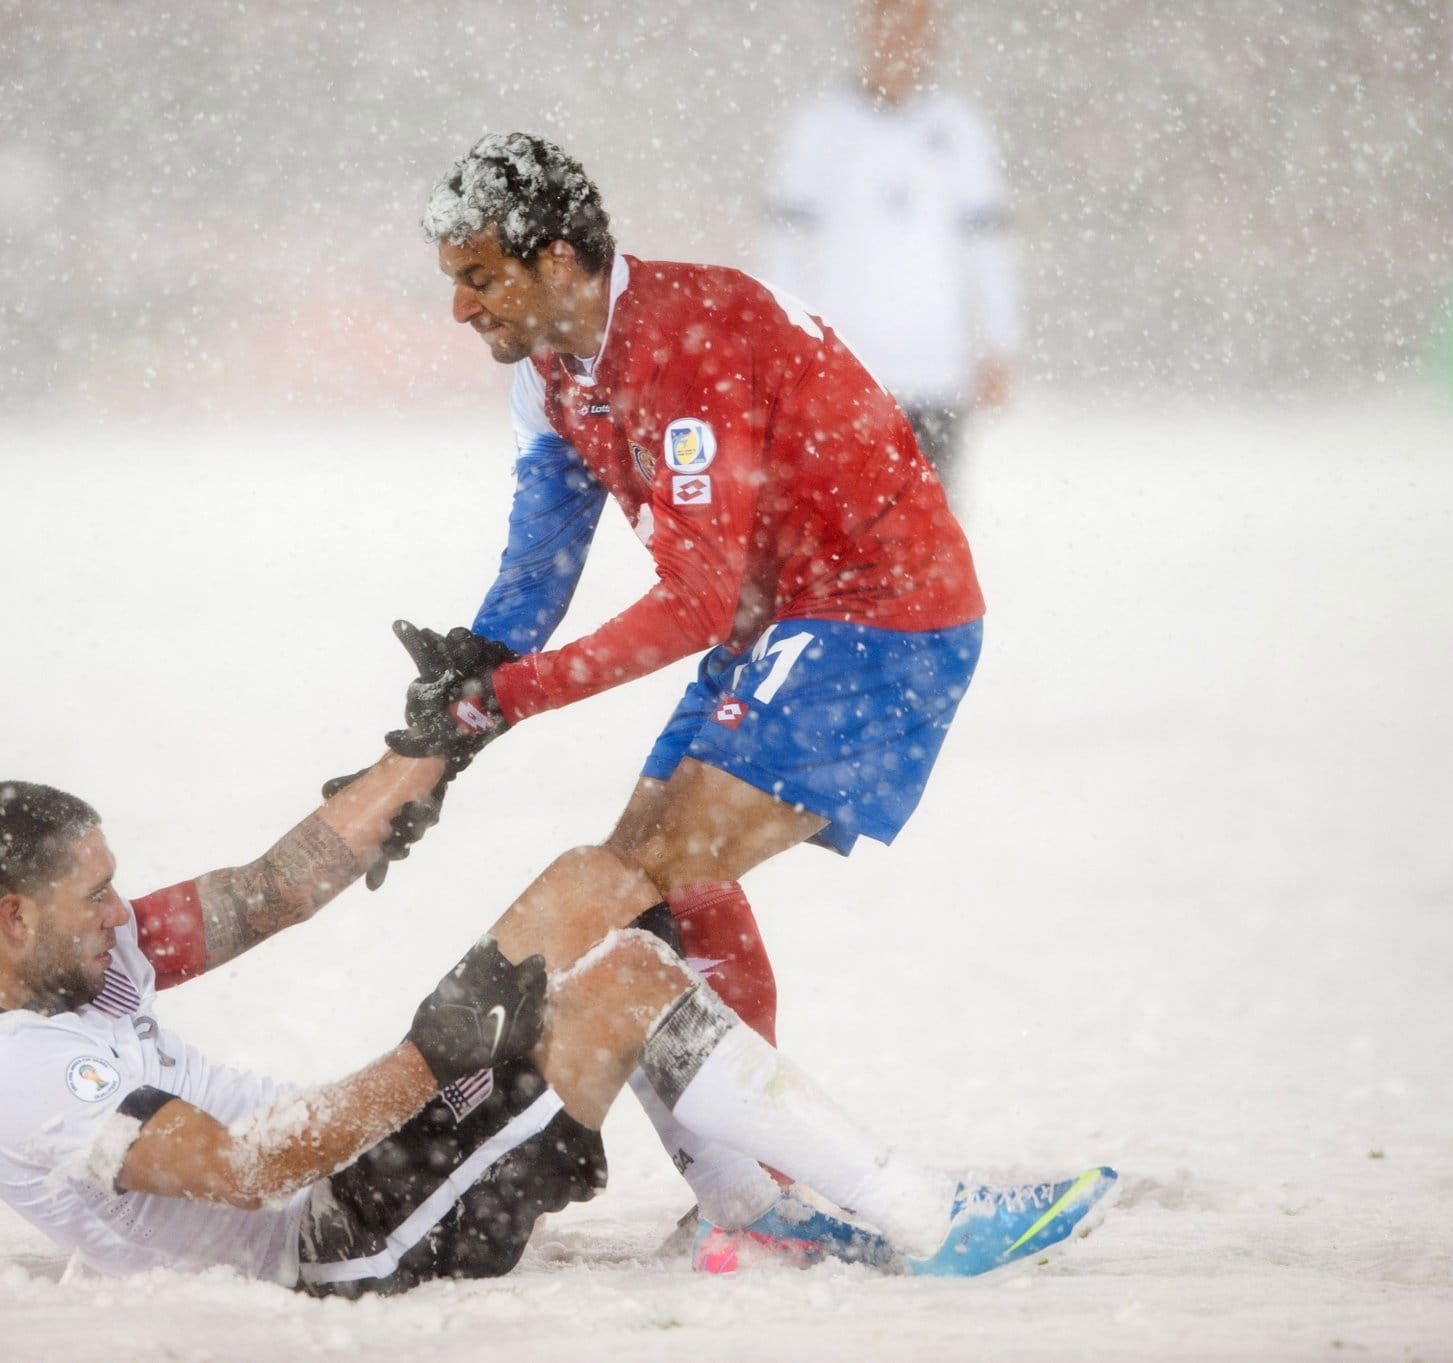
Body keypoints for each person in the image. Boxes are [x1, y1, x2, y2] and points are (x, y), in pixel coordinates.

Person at [398, 130, 989, 1267]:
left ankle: (786, 1191)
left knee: (640, 885)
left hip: (879, 615)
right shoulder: (551, 366)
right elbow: (541, 557)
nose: (462, 308)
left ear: (560, 258)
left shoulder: (686, 345)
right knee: (638, 886)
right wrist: (476, 661)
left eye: (479, 278)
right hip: (788, 617)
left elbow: (692, 606)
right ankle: (742, 1191)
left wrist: (505, 701)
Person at [0, 758, 1115, 1293]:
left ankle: (752, 1207)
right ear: (12, 914)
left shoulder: (81, 960)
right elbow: (249, 1169)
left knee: (588, 885)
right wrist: (434, 1052)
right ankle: (920, 1219)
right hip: (336, 1244)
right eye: (94, 895)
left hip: (364, 1159)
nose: (118, 912)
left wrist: (428, 752)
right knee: (629, 986)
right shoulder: (18, 1076)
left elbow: (270, 888)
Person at [762, 0, 1020, 504]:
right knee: (841, 533)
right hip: (843, 375)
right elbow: (785, 249)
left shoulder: (961, 129)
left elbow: (987, 247)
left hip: (936, 375)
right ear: (865, 25)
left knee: (929, 536)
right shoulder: (819, 128)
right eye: (888, 20)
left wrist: (1000, 341)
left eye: (915, 24)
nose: (900, 38)